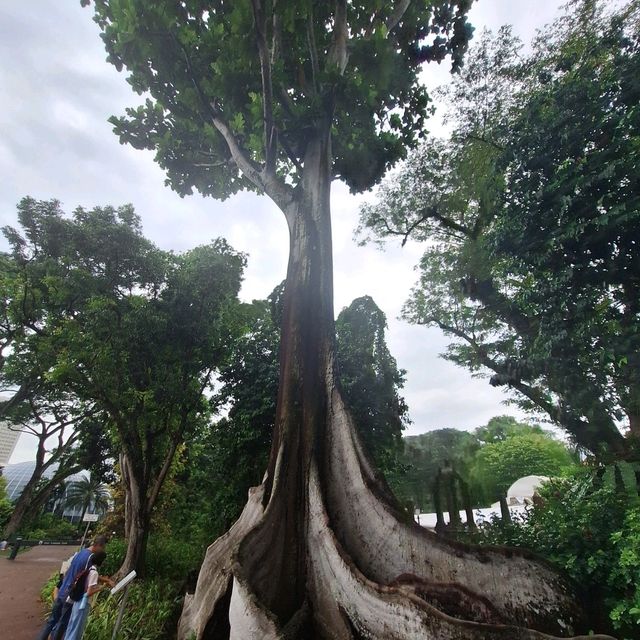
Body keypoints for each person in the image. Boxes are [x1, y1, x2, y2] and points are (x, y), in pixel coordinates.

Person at [36, 535, 113, 640]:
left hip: (63, 590)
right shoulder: (89, 558)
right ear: (99, 545)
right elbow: (87, 575)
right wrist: (105, 581)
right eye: (103, 547)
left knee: (52, 621)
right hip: (70, 594)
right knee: (62, 624)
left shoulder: (81, 553)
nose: (103, 550)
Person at [63, 551, 107, 640]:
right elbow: (89, 592)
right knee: (77, 629)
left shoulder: (89, 569)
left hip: (77, 600)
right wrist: (102, 587)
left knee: (72, 626)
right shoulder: (94, 573)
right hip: (83, 604)